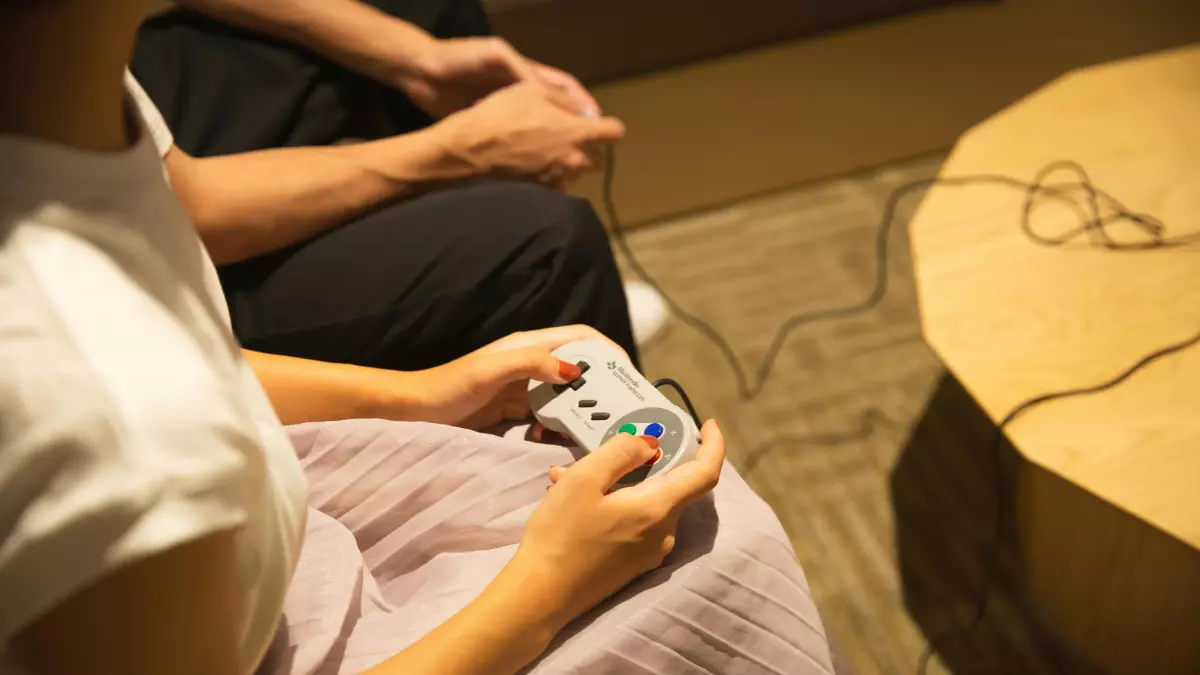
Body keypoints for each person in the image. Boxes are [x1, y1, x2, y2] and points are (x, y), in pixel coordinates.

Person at [0, 2, 837, 674]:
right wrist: (546, 585)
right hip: (267, 608)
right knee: (722, 551)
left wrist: (424, 392)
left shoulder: (70, 101)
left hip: (255, 535)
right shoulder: (101, 422)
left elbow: (189, 340)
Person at [128, 0, 668, 373]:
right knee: (550, 248)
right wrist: (459, 151)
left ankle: (514, 318)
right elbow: (174, 210)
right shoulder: (48, 58)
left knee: (427, 12)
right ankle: (533, 300)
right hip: (145, 277)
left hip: (139, 109)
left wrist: (416, 57)